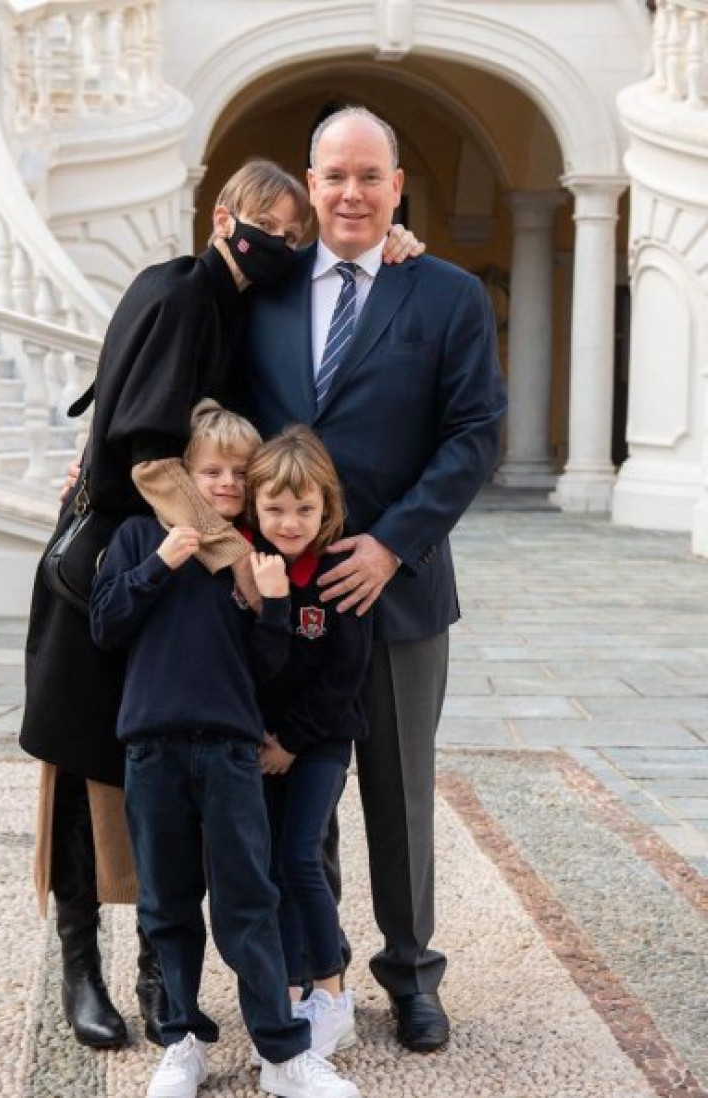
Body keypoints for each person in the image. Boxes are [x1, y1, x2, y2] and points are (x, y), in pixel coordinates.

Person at [19, 159, 314, 1050]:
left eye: (295, 236)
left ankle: (160, 972)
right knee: (81, 767)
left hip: (163, 554)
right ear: (224, 217)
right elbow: (148, 457)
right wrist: (229, 557)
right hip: (116, 561)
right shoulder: (185, 293)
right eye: (270, 225)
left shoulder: (214, 296)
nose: (283, 245)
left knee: (150, 769)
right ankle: (81, 967)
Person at [241, 106, 508, 1053]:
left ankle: (411, 974)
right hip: (282, 599)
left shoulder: (443, 294)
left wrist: (392, 543)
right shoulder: (260, 293)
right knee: (295, 788)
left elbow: (475, 432)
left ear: (399, 187)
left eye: (369, 177)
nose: (351, 193)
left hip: (398, 592)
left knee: (399, 795)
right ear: (309, 187)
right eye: (334, 176)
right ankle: (320, 975)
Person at [90, 402, 361, 1098]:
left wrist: (271, 606)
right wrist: (157, 564)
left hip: (232, 750)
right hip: (151, 745)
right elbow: (105, 625)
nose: (224, 483)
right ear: (186, 471)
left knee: (248, 902)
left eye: (239, 473)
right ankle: (181, 1041)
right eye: (210, 470)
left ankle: (282, 1053)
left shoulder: (252, 560)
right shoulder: (135, 536)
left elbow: (266, 670)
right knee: (167, 904)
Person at [245, 427, 372, 1058]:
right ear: (253, 505)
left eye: (304, 509)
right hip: (262, 743)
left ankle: (332, 989)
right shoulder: (250, 568)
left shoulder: (336, 573)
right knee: (269, 866)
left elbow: (344, 675)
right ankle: (291, 992)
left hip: (319, 741)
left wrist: (292, 740)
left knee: (302, 856)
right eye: (274, 508)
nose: (289, 522)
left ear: (328, 509)